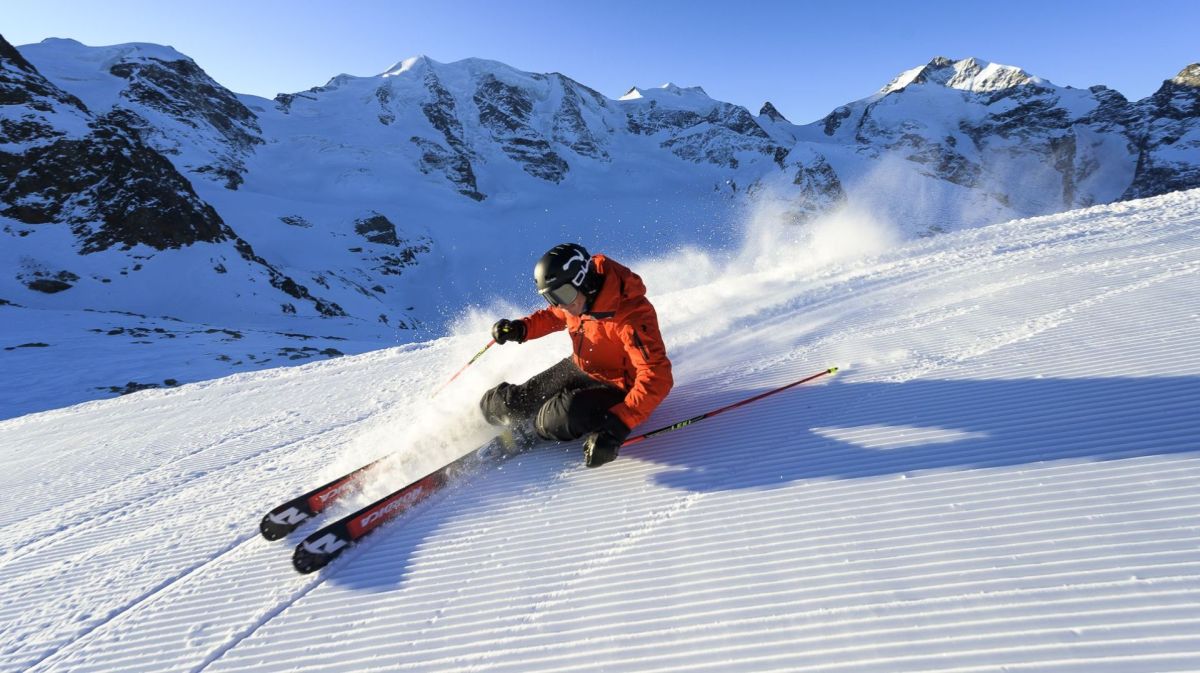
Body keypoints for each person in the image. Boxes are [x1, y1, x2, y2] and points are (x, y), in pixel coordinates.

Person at [480, 243, 673, 467]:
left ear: (585, 280)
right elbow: (554, 316)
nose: (561, 305)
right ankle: (480, 418)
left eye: (563, 294)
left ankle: (534, 427)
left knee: (559, 417)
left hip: (618, 387)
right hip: (581, 367)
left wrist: (618, 425)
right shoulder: (574, 301)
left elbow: (657, 376)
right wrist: (521, 328)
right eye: (552, 297)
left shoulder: (631, 315)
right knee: (507, 404)